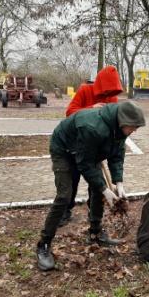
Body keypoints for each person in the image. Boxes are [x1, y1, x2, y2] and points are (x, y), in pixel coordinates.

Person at [36, 100, 146, 271]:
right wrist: (105, 189)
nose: (135, 131)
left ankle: (95, 233)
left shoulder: (120, 130)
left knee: (97, 189)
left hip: (87, 152)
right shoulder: (93, 128)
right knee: (65, 196)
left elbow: (117, 156)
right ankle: (43, 245)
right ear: (123, 121)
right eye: (133, 127)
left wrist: (119, 183)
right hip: (64, 150)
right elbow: (85, 165)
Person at [60, 66, 124, 227]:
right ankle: (66, 211)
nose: (109, 96)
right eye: (107, 91)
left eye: (112, 92)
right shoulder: (85, 91)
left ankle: (93, 211)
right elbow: (69, 113)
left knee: (95, 183)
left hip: (96, 146)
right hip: (75, 144)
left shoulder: (112, 99)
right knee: (72, 180)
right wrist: (90, 109)